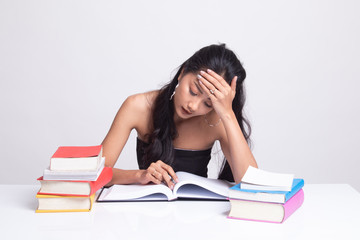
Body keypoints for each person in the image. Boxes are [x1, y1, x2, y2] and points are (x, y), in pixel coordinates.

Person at [102, 43, 258, 189]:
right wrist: (139, 175)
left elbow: (252, 184)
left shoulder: (217, 120)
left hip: (198, 213)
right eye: (193, 91)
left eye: (208, 104)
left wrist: (228, 114)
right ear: (182, 72)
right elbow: (95, 173)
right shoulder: (138, 106)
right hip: (148, 212)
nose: (193, 106)